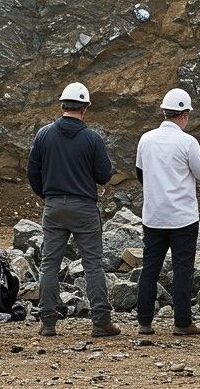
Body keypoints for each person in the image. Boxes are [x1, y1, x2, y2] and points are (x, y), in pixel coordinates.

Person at [134, 88, 200, 336]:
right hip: (182, 219)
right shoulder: (188, 142)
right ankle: (182, 322)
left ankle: (144, 321)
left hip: (153, 217)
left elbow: (140, 174)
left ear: (165, 112)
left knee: (150, 269)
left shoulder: (146, 139)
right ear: (185, 114)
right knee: (182, 270)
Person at [27, 82, 119, 337]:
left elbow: (32, 172)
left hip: (54, 206)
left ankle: (48, 323)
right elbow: (103, 176)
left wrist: (47, 195)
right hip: (84, 208)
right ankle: (101, 322)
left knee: (49, 265)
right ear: (85, 108)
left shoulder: (44, 134)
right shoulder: (92, 138)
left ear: (62, 105)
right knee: (93, 266)